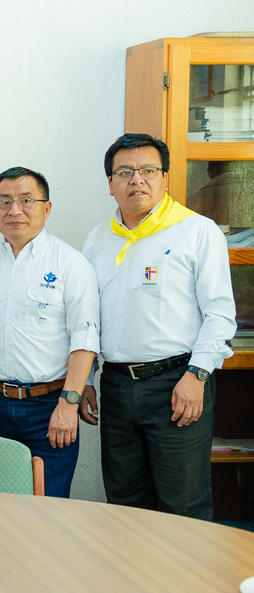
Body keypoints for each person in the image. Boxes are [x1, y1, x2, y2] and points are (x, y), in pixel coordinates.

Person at [82, 133, 236, 519]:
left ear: (165, 178)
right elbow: (86, 317)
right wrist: (85, 378)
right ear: (110, 184)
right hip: (116, 386)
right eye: (125, 172)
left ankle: (186, 582)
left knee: (182, 504)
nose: (137, 180)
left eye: (148, 170)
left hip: (176, 383)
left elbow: (220, 313)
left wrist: (197, 376)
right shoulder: (98, 240)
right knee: (125, 504)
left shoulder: (197, 231)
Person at [0, 167, 100, 498]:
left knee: (48, 510)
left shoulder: (70, 263)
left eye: (26, 200)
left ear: (46, 208)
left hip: (50, 406)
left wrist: (69, 403)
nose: (15, 210)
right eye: (4, 202)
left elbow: (85, 338)